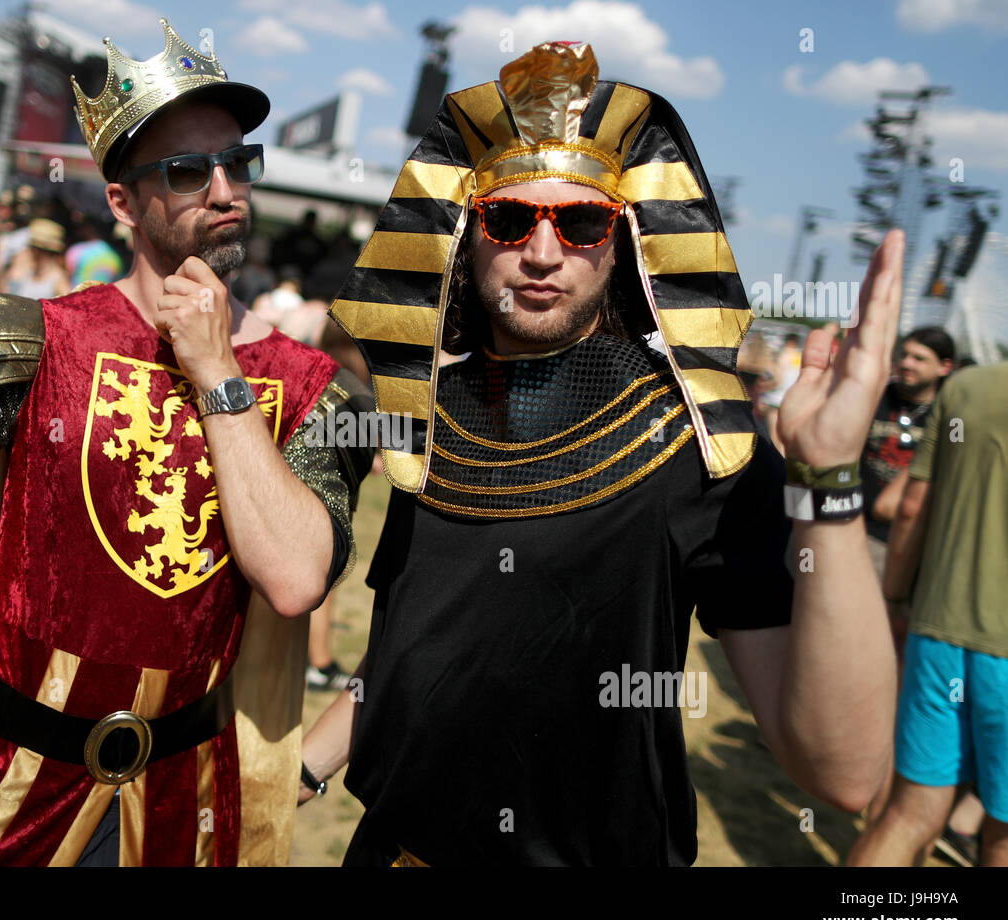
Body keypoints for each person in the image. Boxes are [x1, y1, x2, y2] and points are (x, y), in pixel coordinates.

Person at [300, 40, 903, 865]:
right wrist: (305, 761)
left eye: (582, 222)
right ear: (463, 234)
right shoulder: (425, 421)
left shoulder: (700, 440)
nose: (542, 253)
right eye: (508, 219)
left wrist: (829, 485)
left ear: (624, 243)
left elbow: (845, 771)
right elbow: (422, 649)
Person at [0, 18, 372, 867]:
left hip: (185, 798)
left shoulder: (308, 387)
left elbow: (297, 580)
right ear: (122, 202)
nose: (225, 188)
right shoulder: (32, 337)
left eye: (237, 162)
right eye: (188, 170)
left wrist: (218, 372)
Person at [848, 361, 1008, 867]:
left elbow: (911, 508)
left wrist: (894, 600)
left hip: (938, 631)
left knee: (909, 815)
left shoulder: (968, 386)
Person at [860, 326, 955, 571]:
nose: (906, 363)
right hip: (854, 527)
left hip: (903, 542)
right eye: (904, 354)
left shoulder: (950, 416)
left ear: (944, 367)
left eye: (919, 358)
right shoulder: (874, 396)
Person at [1, 218, 70, 298]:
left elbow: (67, 304)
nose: (28, 251)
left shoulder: (58, 278)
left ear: (38, 251)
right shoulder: (28, 270)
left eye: (31, 247)